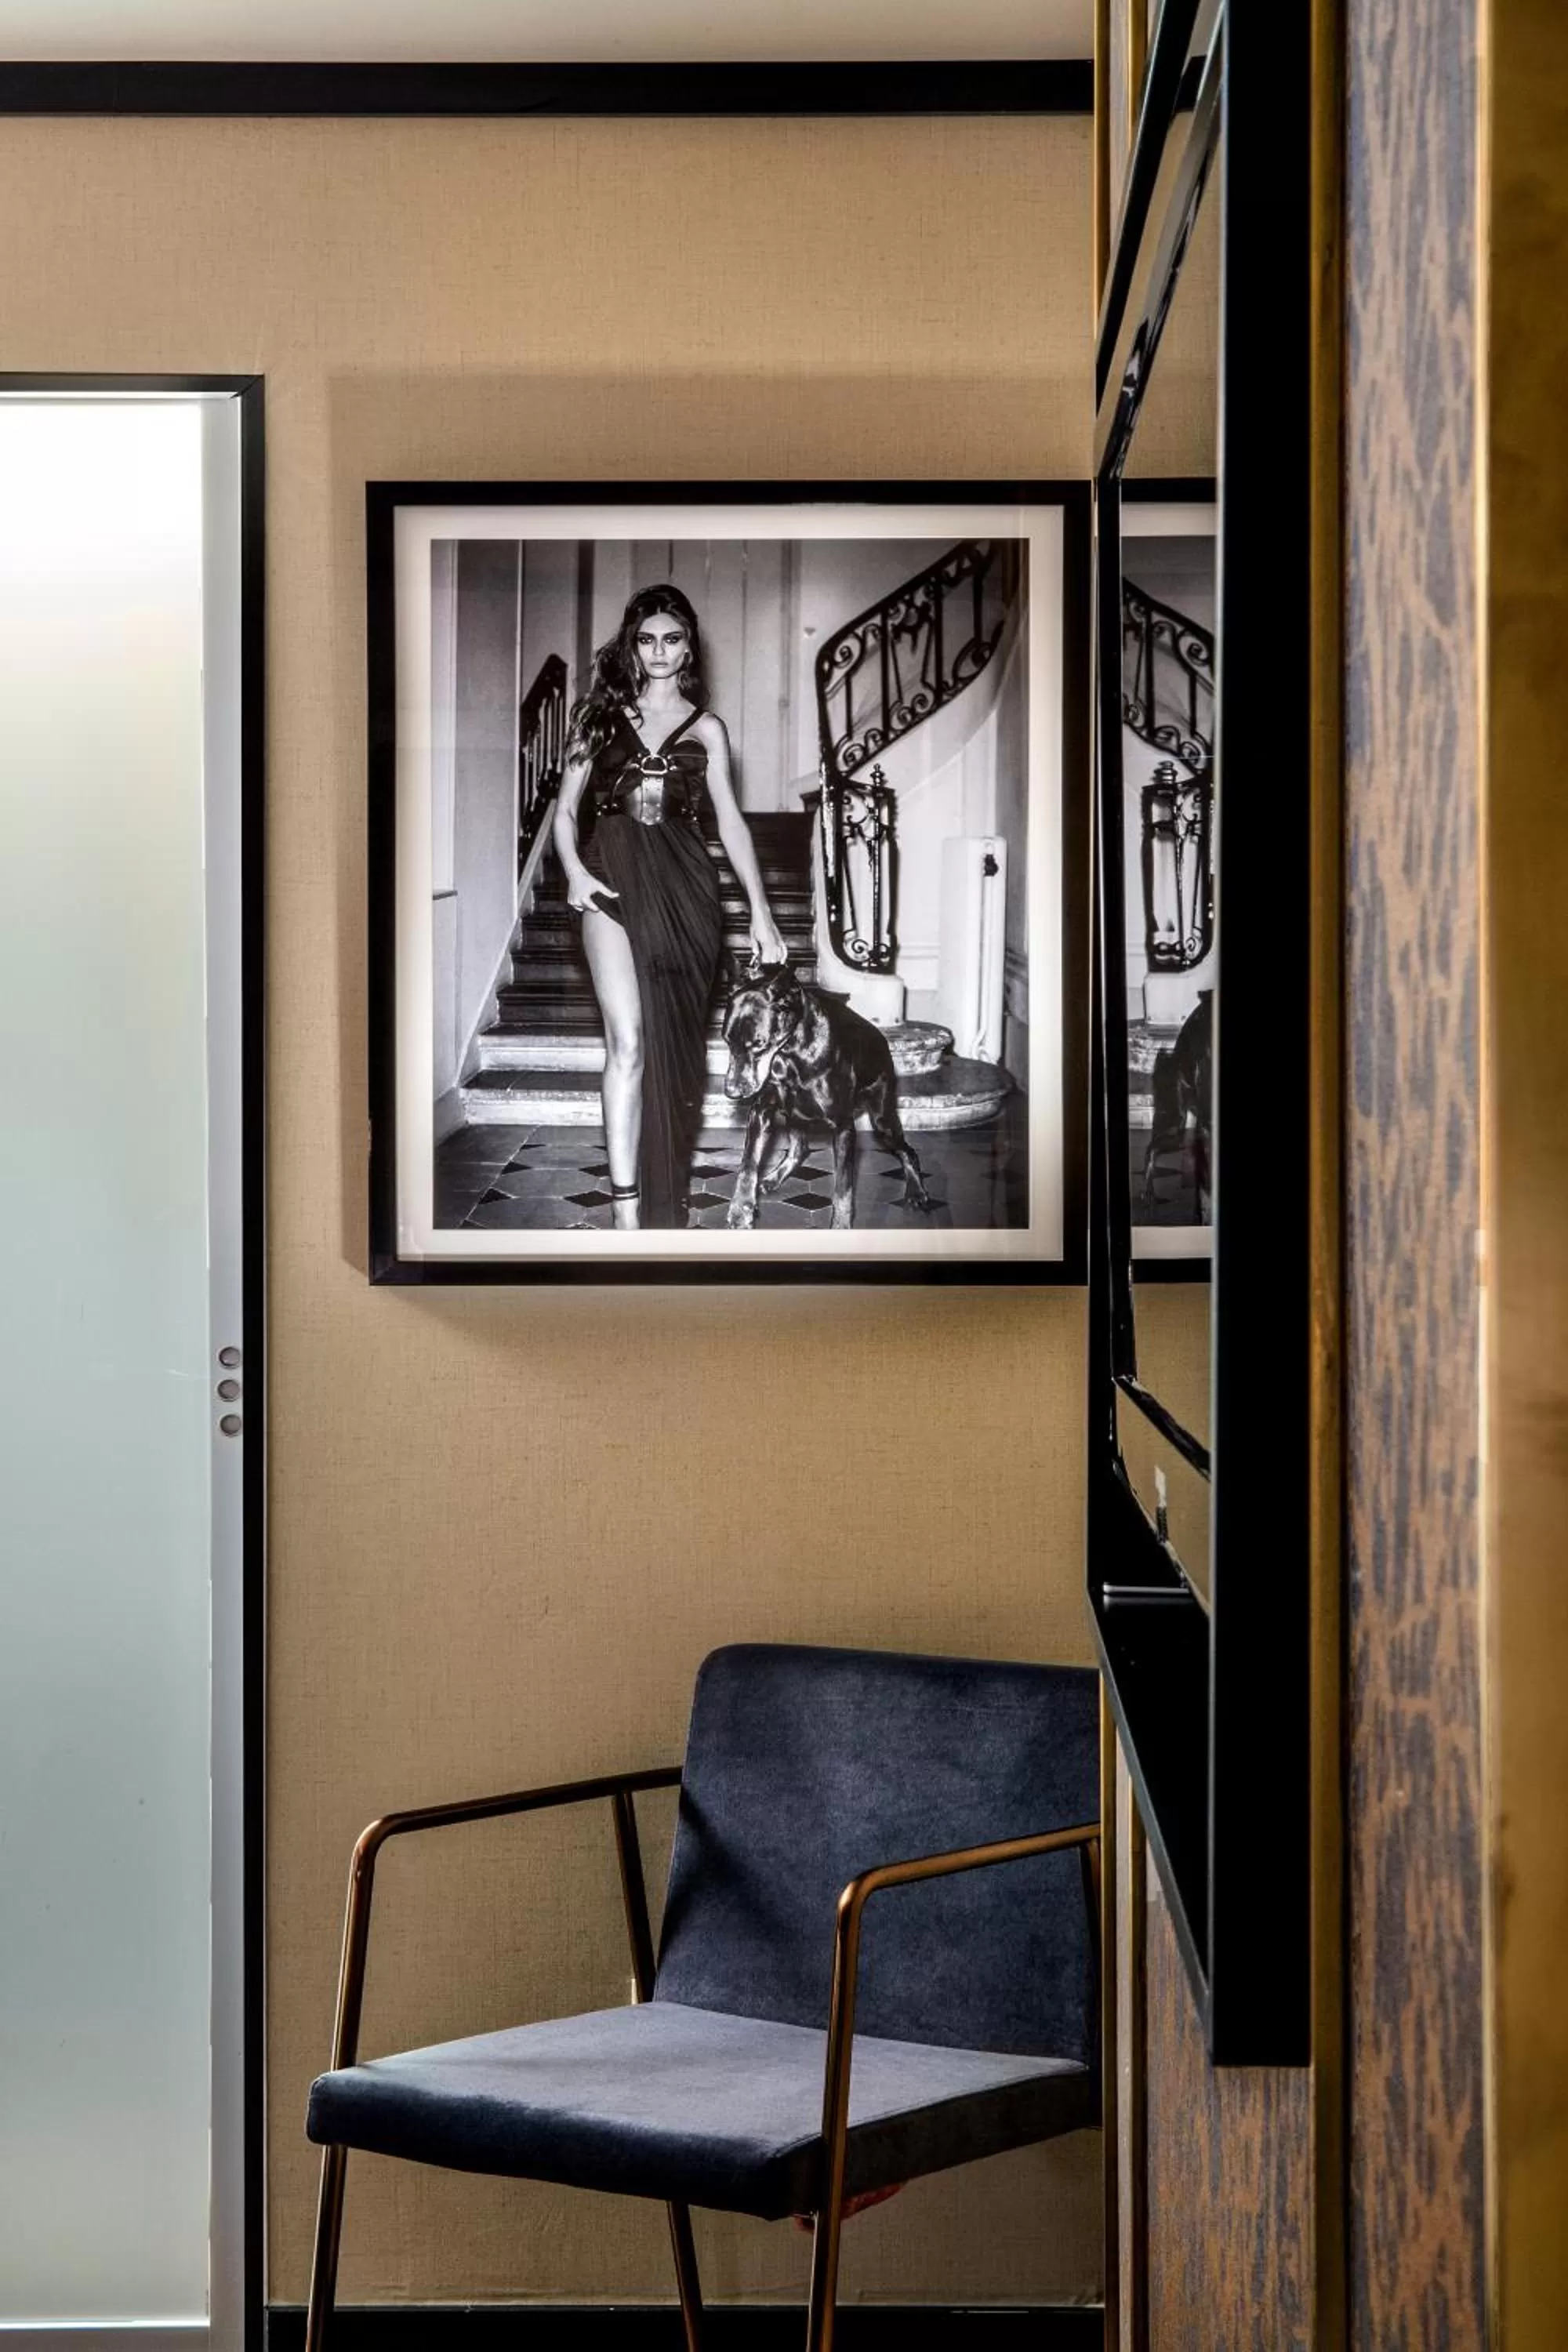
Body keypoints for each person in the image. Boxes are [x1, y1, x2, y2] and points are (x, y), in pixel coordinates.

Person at [554, 583, 788, 1230]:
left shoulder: (708, 728)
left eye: (673, 638)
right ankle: (628, 1209)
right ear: (633, 645)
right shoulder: (596, 717)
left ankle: (667, 1196)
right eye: (647, 639)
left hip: (687, 891)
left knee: (676, 1051)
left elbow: (732, 824)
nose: (660, 651)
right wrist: (573, 870)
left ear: (689, 648)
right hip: (609, 881)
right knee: (627, 1042)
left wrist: (761, 914)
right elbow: (566, 809)